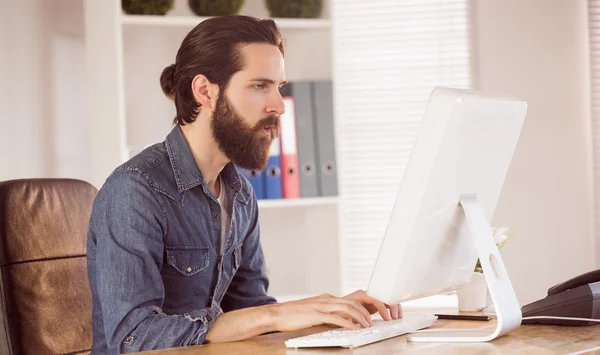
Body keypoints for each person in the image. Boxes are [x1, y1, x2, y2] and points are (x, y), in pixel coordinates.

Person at [86, 15, 402, 354]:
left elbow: (251, 313)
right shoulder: (135, 191)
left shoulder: (241, 195)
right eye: (259, 86)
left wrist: (328, 316)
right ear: (204, 91)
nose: (279, 106)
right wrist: (276, 315)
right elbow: (133, 337)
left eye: (278, 87)